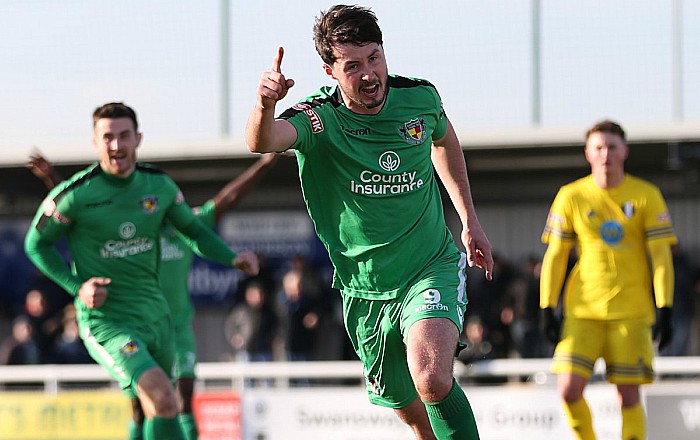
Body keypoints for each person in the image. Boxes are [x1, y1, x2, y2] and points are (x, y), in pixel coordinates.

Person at [245, 5, 493, 438]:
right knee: (412, 411)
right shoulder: (319, 119)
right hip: (365, 289)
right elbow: (263, 140)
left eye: (374, 57)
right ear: (330, 70)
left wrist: (469, 219)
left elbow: (444, 140)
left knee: (432, 379)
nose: (369, 74)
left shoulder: (419, 98)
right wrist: (265, 103)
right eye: (353, 65)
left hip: (428, 265)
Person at [24, 102, 259, 440]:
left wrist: (231, 258)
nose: (116, 145)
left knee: (158, 406)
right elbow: (36, 244)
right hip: (109, 322)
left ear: (138, 139)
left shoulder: (158, 187)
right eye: (107, 137)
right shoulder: (75, 195)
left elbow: (193, 230)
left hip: (156, 317)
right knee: (164, 398)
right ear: (95, 142)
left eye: (124, 136)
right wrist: (78, 287)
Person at [539, 119, 677, 440]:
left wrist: (665, 307)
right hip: (582, 312)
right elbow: (556, 256)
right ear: (588, 153)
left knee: (628, 396)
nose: (606, 155)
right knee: (568, 390)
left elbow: (661, 258)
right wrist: (547, 305)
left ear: (624, 152)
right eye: (599, 148)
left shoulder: (646, 195)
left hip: (630, 312)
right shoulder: (571, 196)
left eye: (612, 147)